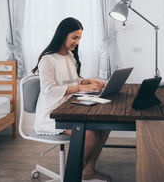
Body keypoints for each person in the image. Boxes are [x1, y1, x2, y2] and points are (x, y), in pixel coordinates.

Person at [32, 17, 111, 182]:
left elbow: (73, 80)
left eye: (80, 38)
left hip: (69, 108)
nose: (77, 41)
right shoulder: (48, 59)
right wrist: (80, 87)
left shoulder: (69, 56)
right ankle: (71, 175)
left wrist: (87, 81)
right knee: (90, 136)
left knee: (104, 128)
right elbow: (49, 89)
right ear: (63, 35)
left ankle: (88, 171)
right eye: (74, 37)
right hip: (51, 115)